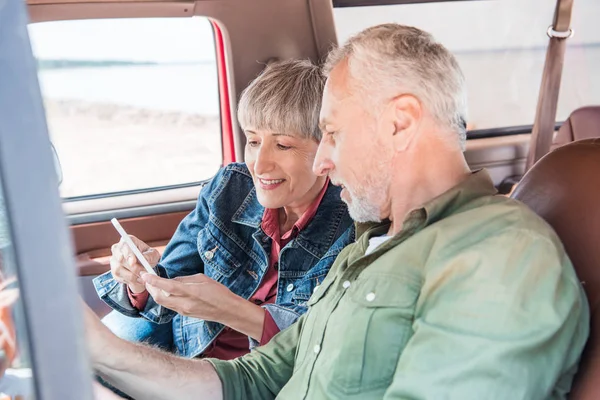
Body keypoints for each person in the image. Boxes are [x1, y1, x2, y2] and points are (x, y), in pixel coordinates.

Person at [84, 24, 589, 399]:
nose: (323, 160)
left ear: (400, 123)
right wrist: (99, 350)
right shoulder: (370, 248)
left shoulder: (497, 255)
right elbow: (251, 380)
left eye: (333, 133)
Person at [93, 59, 354, 360]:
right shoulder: (230, 187)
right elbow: (170, 278)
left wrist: (231, 310)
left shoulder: (352, 223)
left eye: (283, 146)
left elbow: (322, 344)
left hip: (264, 374)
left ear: (326, 146)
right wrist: (141, 279)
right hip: (188, 344)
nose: (259, 164)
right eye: (253, 141)